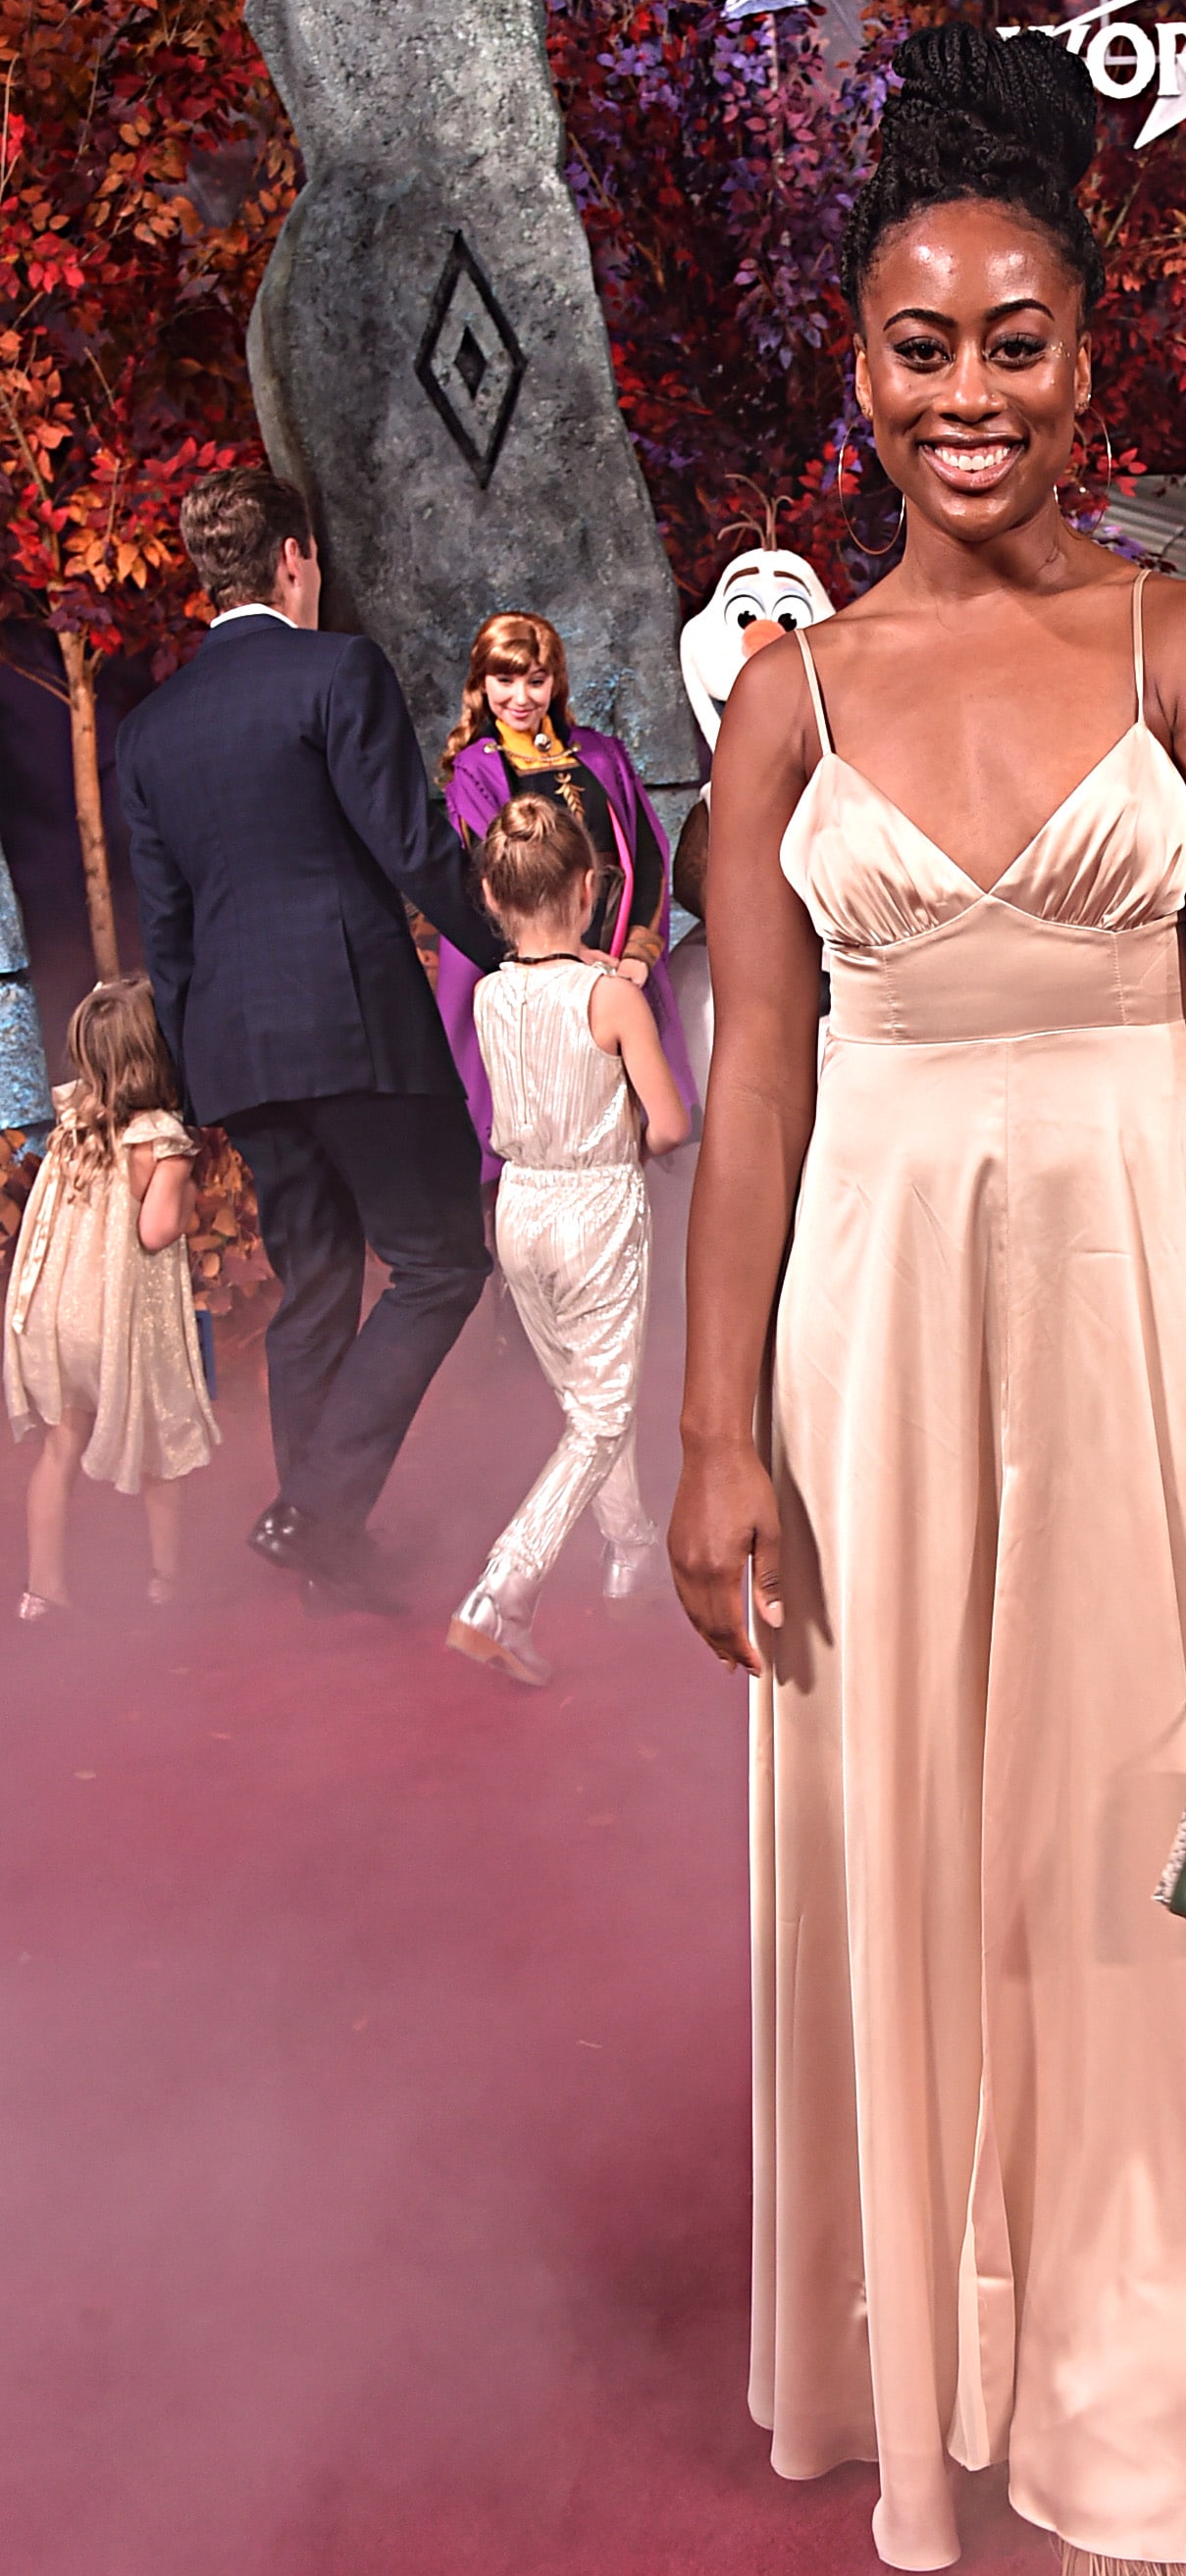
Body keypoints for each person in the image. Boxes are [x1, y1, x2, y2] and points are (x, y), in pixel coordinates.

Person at [669, 23, 1186, 2576]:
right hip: (870, 1347)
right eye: (922, 345)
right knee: (919, 1844)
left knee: (1134, 1855)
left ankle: (1134, 2414)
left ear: (1084, 358)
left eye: (1014, 341)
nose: (967, 392)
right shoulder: (787, 698)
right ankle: (938, 2352)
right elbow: (753, 1100)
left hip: (1139, 1308)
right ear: (859, 367)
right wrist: (710, 1439)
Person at [115, 472, 504, 1608]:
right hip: (354, 1022)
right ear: (294, 558)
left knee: (318, 1283)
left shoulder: (147, 732)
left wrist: (190, 1082)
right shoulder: (337, 670)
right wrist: (517, 949)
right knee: (440, 1262)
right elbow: (410, 846)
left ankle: (326, 1564)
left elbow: (166, 926)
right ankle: (318, 1510)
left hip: (235, 1051)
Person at [445, 797, 690, 1688]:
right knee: (602, 1414)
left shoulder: (486, 994)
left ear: (492, 898)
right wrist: (627, 1138)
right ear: (590, 889)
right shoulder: (613, 997)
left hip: (520, 1210)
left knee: (587, 1402)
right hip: (594, 1207)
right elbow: (669, 1124)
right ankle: (503, 1590)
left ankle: (630, 1551)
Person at [436, 612, 696, 1181]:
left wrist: (636, 953)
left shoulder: (601, 755)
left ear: (556, 681)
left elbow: (648, 856)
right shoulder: (476, 771)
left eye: (536, 680)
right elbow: (492, 877)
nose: (521, 698)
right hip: (526, 974)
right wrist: (565, 955)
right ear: (481, 684)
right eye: (505, 680)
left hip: (612, 968)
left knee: (623, 1121)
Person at [5, 975, 217, 1619]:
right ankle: (165, 1581)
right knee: (161, 1446)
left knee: (59, 1447)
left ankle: (42, 1590)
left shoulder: (74, 1124)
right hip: (120, 1322)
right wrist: (186, 1183)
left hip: (58, 1317)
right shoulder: (160, 1138)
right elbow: (157, 1231)